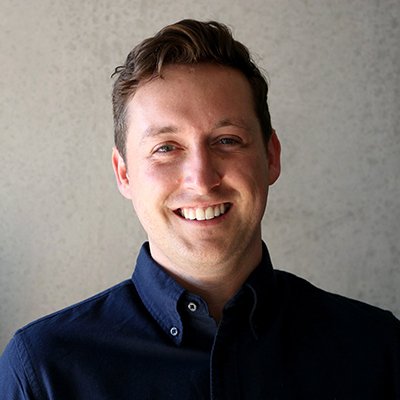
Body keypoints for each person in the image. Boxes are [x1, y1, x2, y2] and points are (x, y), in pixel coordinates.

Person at [0, 19, 399, 399]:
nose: (202, 179)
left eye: (227, 140)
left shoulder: (378, 349)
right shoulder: (44, 370)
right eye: (166, 148)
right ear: (124, 174)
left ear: (271, 157)